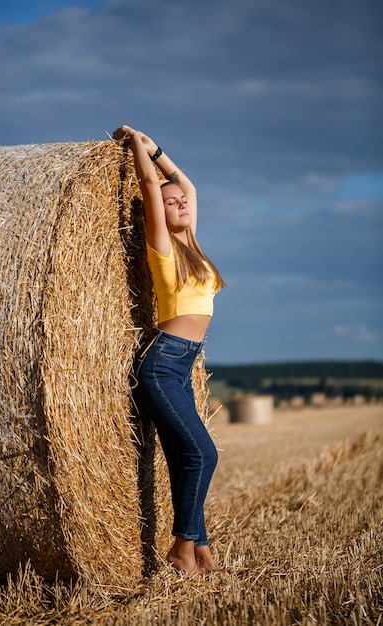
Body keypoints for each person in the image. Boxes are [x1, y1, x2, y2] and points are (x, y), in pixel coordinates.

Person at [112, 125, 225, 575]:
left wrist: (156, 146)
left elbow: (190, 185)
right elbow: (148, 187)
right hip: (161, 365)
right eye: (171, 201)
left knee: (185, 457)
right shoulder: (162, 248)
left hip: (183, 365)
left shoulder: (192, 245)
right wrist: (138, 148)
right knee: (204, 454)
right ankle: (181, 548)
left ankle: (201, 550)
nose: (180, 203)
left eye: (182, 202)